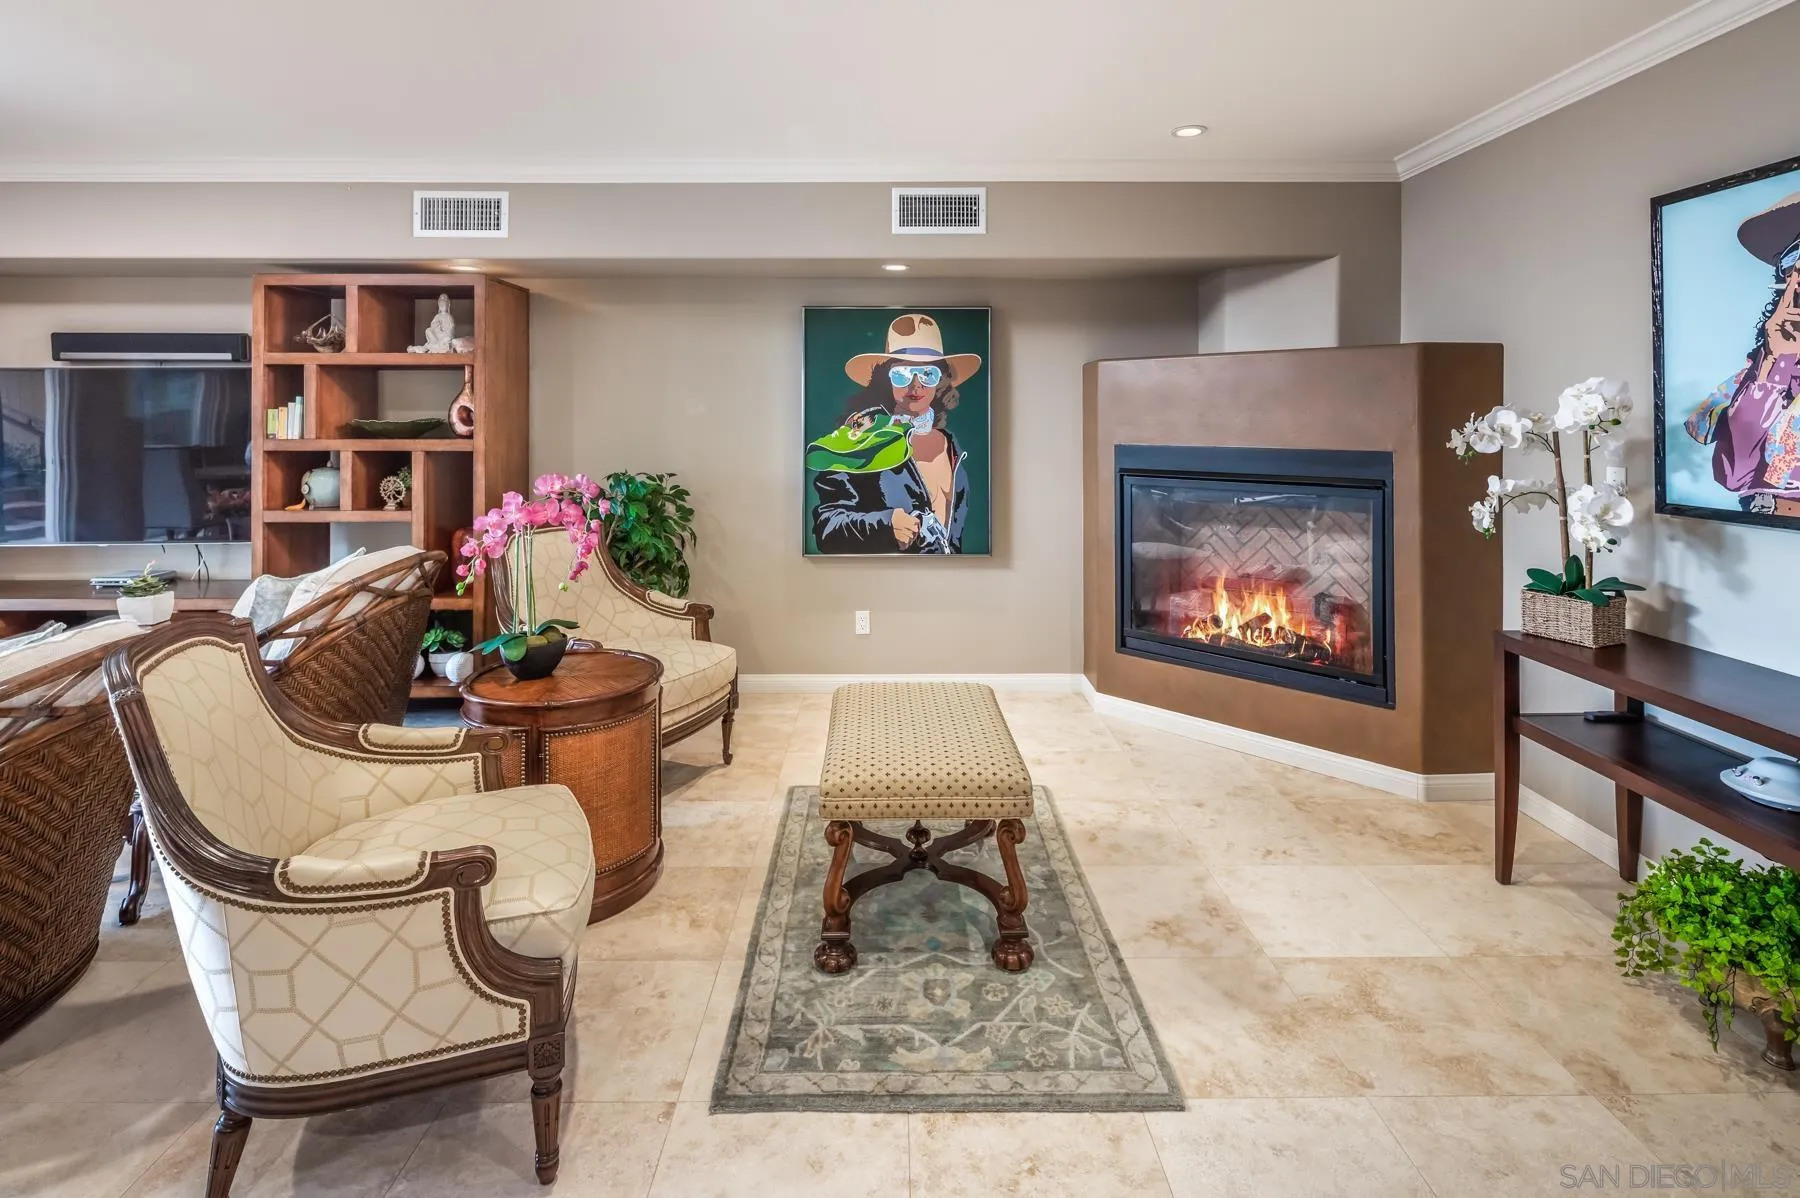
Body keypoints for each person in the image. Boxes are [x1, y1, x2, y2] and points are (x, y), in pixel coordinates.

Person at [808, 313, 981, 553]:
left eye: (928, 374)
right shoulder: (860, 438)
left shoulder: (952, 447)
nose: (916, 385)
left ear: (940, 380)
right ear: (885, 378)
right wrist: (886, 525)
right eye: (902, 374)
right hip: (882, 584)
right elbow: (827, 529)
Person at [1685, 191, 1800, 515]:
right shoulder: (1768, 369)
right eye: (1791, 259)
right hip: (1768, 521)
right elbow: (1735, 474)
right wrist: (1776, 362)